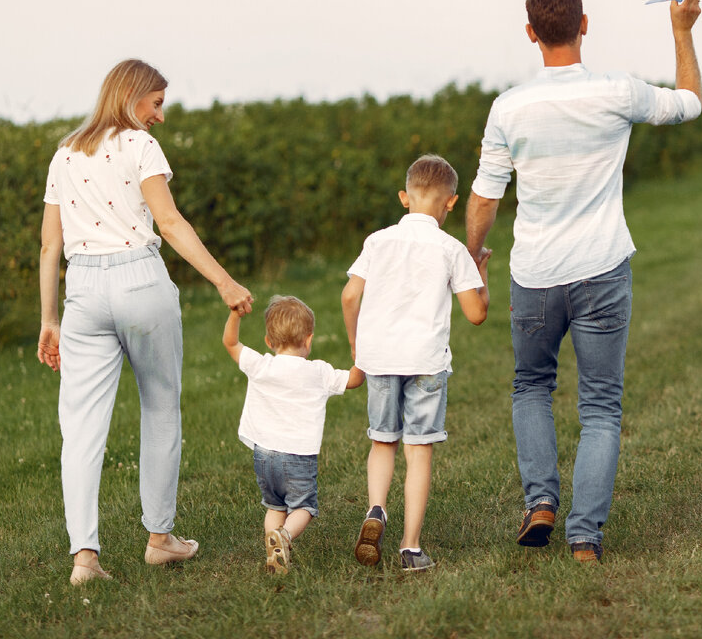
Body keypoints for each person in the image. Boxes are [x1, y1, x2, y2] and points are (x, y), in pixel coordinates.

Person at [465, 0, 702, 563]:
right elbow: (690, 102)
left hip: (535, 275)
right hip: (602, 271)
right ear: (585, 25)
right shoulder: (617, 92)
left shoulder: (508, 108)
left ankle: (540, 502)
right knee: (600, 405)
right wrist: (681, 30)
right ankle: (584, 538)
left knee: (531, 387)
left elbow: (485, 199)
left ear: (530, 32)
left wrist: (473, 255)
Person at [37, 59, 254, 585]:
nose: (159, 116)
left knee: (81, 428)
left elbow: (50, 245)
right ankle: (160, 539)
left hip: (82, 291)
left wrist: (48, 318)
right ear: (132, 96)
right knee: (160, 406)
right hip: (140, 281)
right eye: (156, 103)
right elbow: (171, 222)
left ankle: (84, 558)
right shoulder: (140, 146)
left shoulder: (65, 153)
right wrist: (224, 281)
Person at [341, 154, 491, 572]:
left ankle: (375, 510)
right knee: (419, 450)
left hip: (381, 357)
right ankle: (410, 547)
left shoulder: (378, 240)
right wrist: (482, 273)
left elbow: (350, 296)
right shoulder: (452, 248)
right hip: (426, 362)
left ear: (405, 197)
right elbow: (476, 314)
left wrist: (357, 343)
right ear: (451, 203)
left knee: (382, 440)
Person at [222, 295, 364, 574]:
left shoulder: (261, 365)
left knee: (275, 505)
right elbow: (354, 379)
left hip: (263, 455)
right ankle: (284, 538)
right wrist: (360, 352)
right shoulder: (319, 372)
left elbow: (230, 342)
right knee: (304, 508)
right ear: (309, 341)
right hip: (298, 457)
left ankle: (274, 551)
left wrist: (235, 315)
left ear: (268, 341)